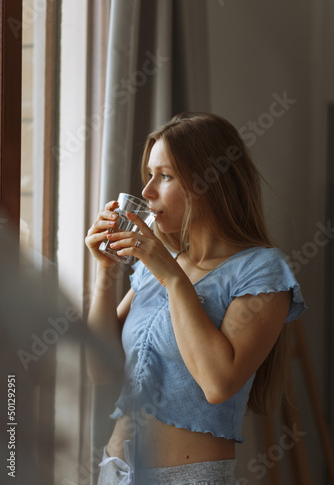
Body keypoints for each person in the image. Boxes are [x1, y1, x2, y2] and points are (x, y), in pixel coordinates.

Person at [85, 112, 307, 485]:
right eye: (149, 175)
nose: (147, 192)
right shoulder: (161, 263)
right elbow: (98, 368)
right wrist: (106, 272)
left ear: (211, 181)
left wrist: (172, 277)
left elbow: (218, 384)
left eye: (165, 176)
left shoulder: (261, 270)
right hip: (115, 472)